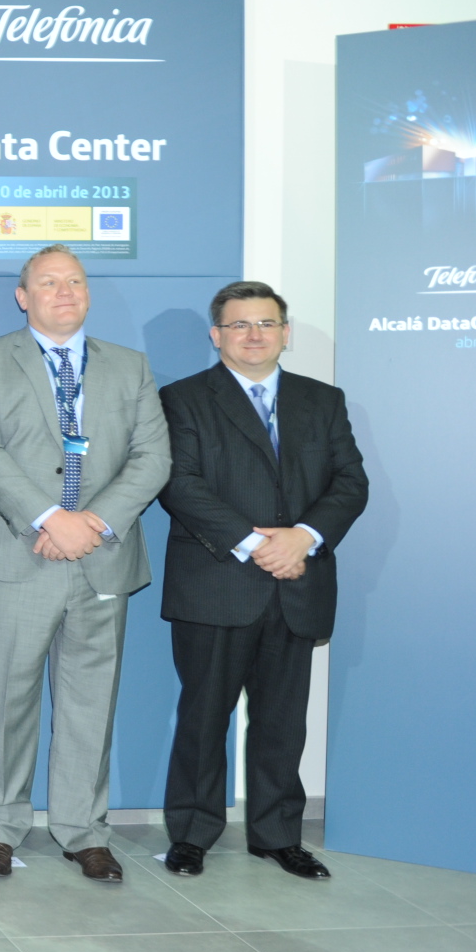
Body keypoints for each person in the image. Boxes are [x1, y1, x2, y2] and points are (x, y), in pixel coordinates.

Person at [0, 244, 170, 882]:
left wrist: (90, 523)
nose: (65, 291)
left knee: (90, 701)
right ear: (23, 297)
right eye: (48, 282)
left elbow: (153, 457)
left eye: (75, 280)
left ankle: (83, 830)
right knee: (4, 699)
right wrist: (50, 517)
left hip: (102, 554)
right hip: (15, 552)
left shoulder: (129, 366)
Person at [156, 282, 367, 879]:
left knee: (282, 721)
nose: (254, 335)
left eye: (267, 324)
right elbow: (179, 484)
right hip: (217, 582)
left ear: (286, 332)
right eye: (239, 324)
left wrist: (303, 537)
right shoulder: (182, 398)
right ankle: (192, 834)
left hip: (298, 584)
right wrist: (259, 545)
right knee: (204, 719)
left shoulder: (323, 400)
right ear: (216, 335)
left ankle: (277, 836)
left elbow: (351, 483)